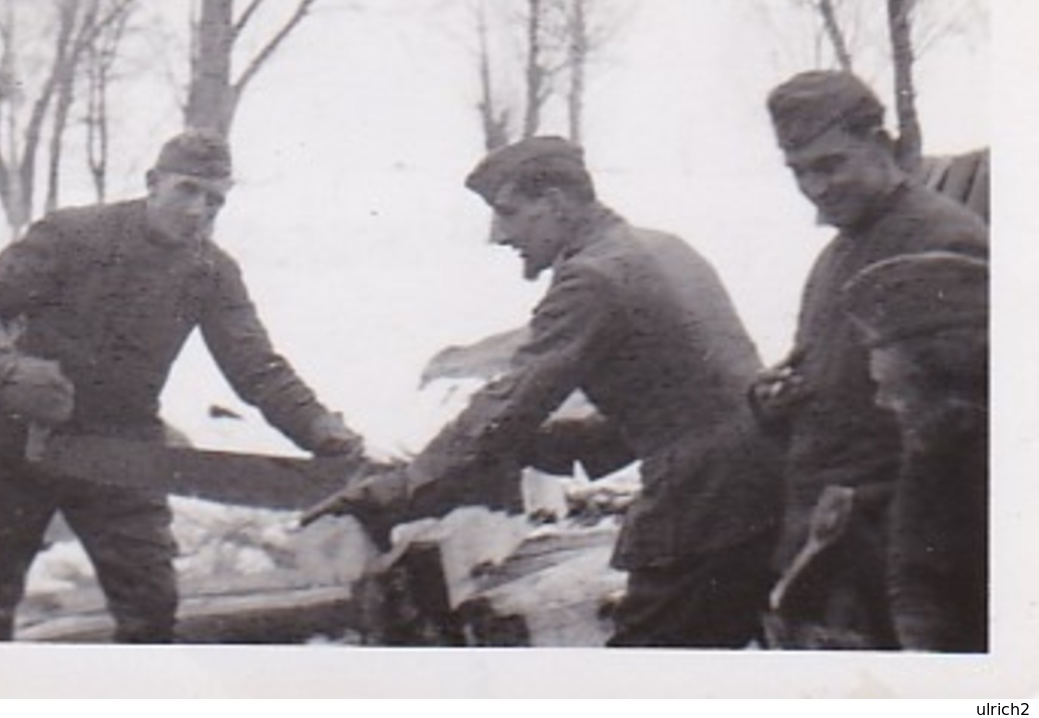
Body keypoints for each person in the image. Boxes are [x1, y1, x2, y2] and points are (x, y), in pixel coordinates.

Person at [312, 136, 784, 648]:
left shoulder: (592, 278)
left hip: (704, 512)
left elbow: (508, 405)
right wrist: (541, 446)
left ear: (556, 204)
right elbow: (681, 399)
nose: (498, 234)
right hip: (755, 489)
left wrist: (401, 490)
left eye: (508, 212)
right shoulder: (660, 247)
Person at [0, 130, 364, 643]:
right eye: (187, 190)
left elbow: (256, 367)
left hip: (120, 448)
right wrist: (3, 365)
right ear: (153, 182)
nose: (198, 210)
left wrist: (320, 429)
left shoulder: (211, 272)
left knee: (151, 605)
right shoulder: (73, 234)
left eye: (214, 200)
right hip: (12, 437)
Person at [752, 70, 988, 649]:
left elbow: (959, 437)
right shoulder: (838, 254)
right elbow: (818, 367)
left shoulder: (943, 241)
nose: (814, 186)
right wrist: (772, 396)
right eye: (799, 171)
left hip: (891, 549)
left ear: (881, 147)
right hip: (830, 543)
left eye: (831, 164)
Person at [844, 251, 989, 652]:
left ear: (943, 379)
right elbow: (915, 569)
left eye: (895, 387)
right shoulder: (932, 443)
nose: (881, 402)